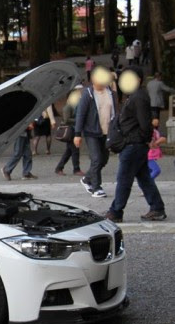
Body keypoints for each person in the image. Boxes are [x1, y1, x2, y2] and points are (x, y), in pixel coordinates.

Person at [105, 68, 166, 222]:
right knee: (144, 177)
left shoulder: (139, 97)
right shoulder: (133, 96)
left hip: (133, 144)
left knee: (124, 179)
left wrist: (141, 139)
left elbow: (145, 124)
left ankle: (116, 211)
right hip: (134, 143)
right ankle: (157, 208)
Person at [74, 66, 117, 198]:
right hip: (92, 132)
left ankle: (87, 179)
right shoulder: (88, 94)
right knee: (96, 159)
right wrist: (77, 134)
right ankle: (96, 187)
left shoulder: (110, 92)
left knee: (103, 160)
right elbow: (80, 114)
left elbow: (115, 111)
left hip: (107, 131)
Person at [55, 87, 83, 176]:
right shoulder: (68, 106)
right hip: (70, 131)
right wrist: (79, 120)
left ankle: (59, 168)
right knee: (75, 150)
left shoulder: (76, 105)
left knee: (69, 151)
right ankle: (76, 169)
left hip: (74, 129)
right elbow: (66, 119)